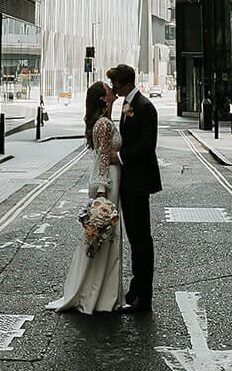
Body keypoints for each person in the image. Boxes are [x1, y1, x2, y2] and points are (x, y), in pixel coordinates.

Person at [47, 82, 124, 314]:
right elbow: (102, 157)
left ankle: (104, 292)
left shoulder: (104, 120)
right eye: (109, 90)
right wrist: (101, 193)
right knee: (103, 235)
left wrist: (114, 108)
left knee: (108, 238)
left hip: (111, 180)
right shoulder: (102, 124)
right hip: (107, 182)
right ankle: (94, 295)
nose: (114, 90)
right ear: (103, 98)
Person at [107, 62, 161, 312]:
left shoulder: (144, 106)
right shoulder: (129, 104)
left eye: (115, 83)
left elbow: (147, 145)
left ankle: (144, 298)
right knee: (135, 239)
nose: (112, 87)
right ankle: (136, 291)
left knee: (140, 241)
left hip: (139, 183)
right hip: (131, 182)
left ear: (126, 83)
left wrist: (121, 157)